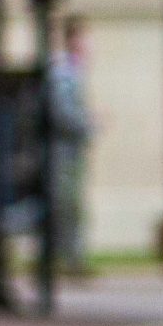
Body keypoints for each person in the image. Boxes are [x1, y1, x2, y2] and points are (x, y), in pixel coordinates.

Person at [47, 15, 95, 277]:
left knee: (70, 206)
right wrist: (88, 124)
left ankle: (70, 257)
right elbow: (64, 114)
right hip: (63, 153)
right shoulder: (65, 73)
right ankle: (69, 259)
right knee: (66, 206)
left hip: (68, 152)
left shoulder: (71, 72)